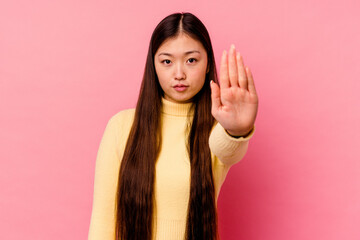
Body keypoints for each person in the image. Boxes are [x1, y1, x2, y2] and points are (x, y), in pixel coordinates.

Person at [88, 12, 259, 240]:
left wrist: (237, 130)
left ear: (208, 63)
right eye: (167, 61)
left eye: (191, 60)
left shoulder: (217, 127)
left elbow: (228, 148)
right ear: (154, 65)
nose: (179, 74)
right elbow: (102, 223)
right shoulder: (121, 127)